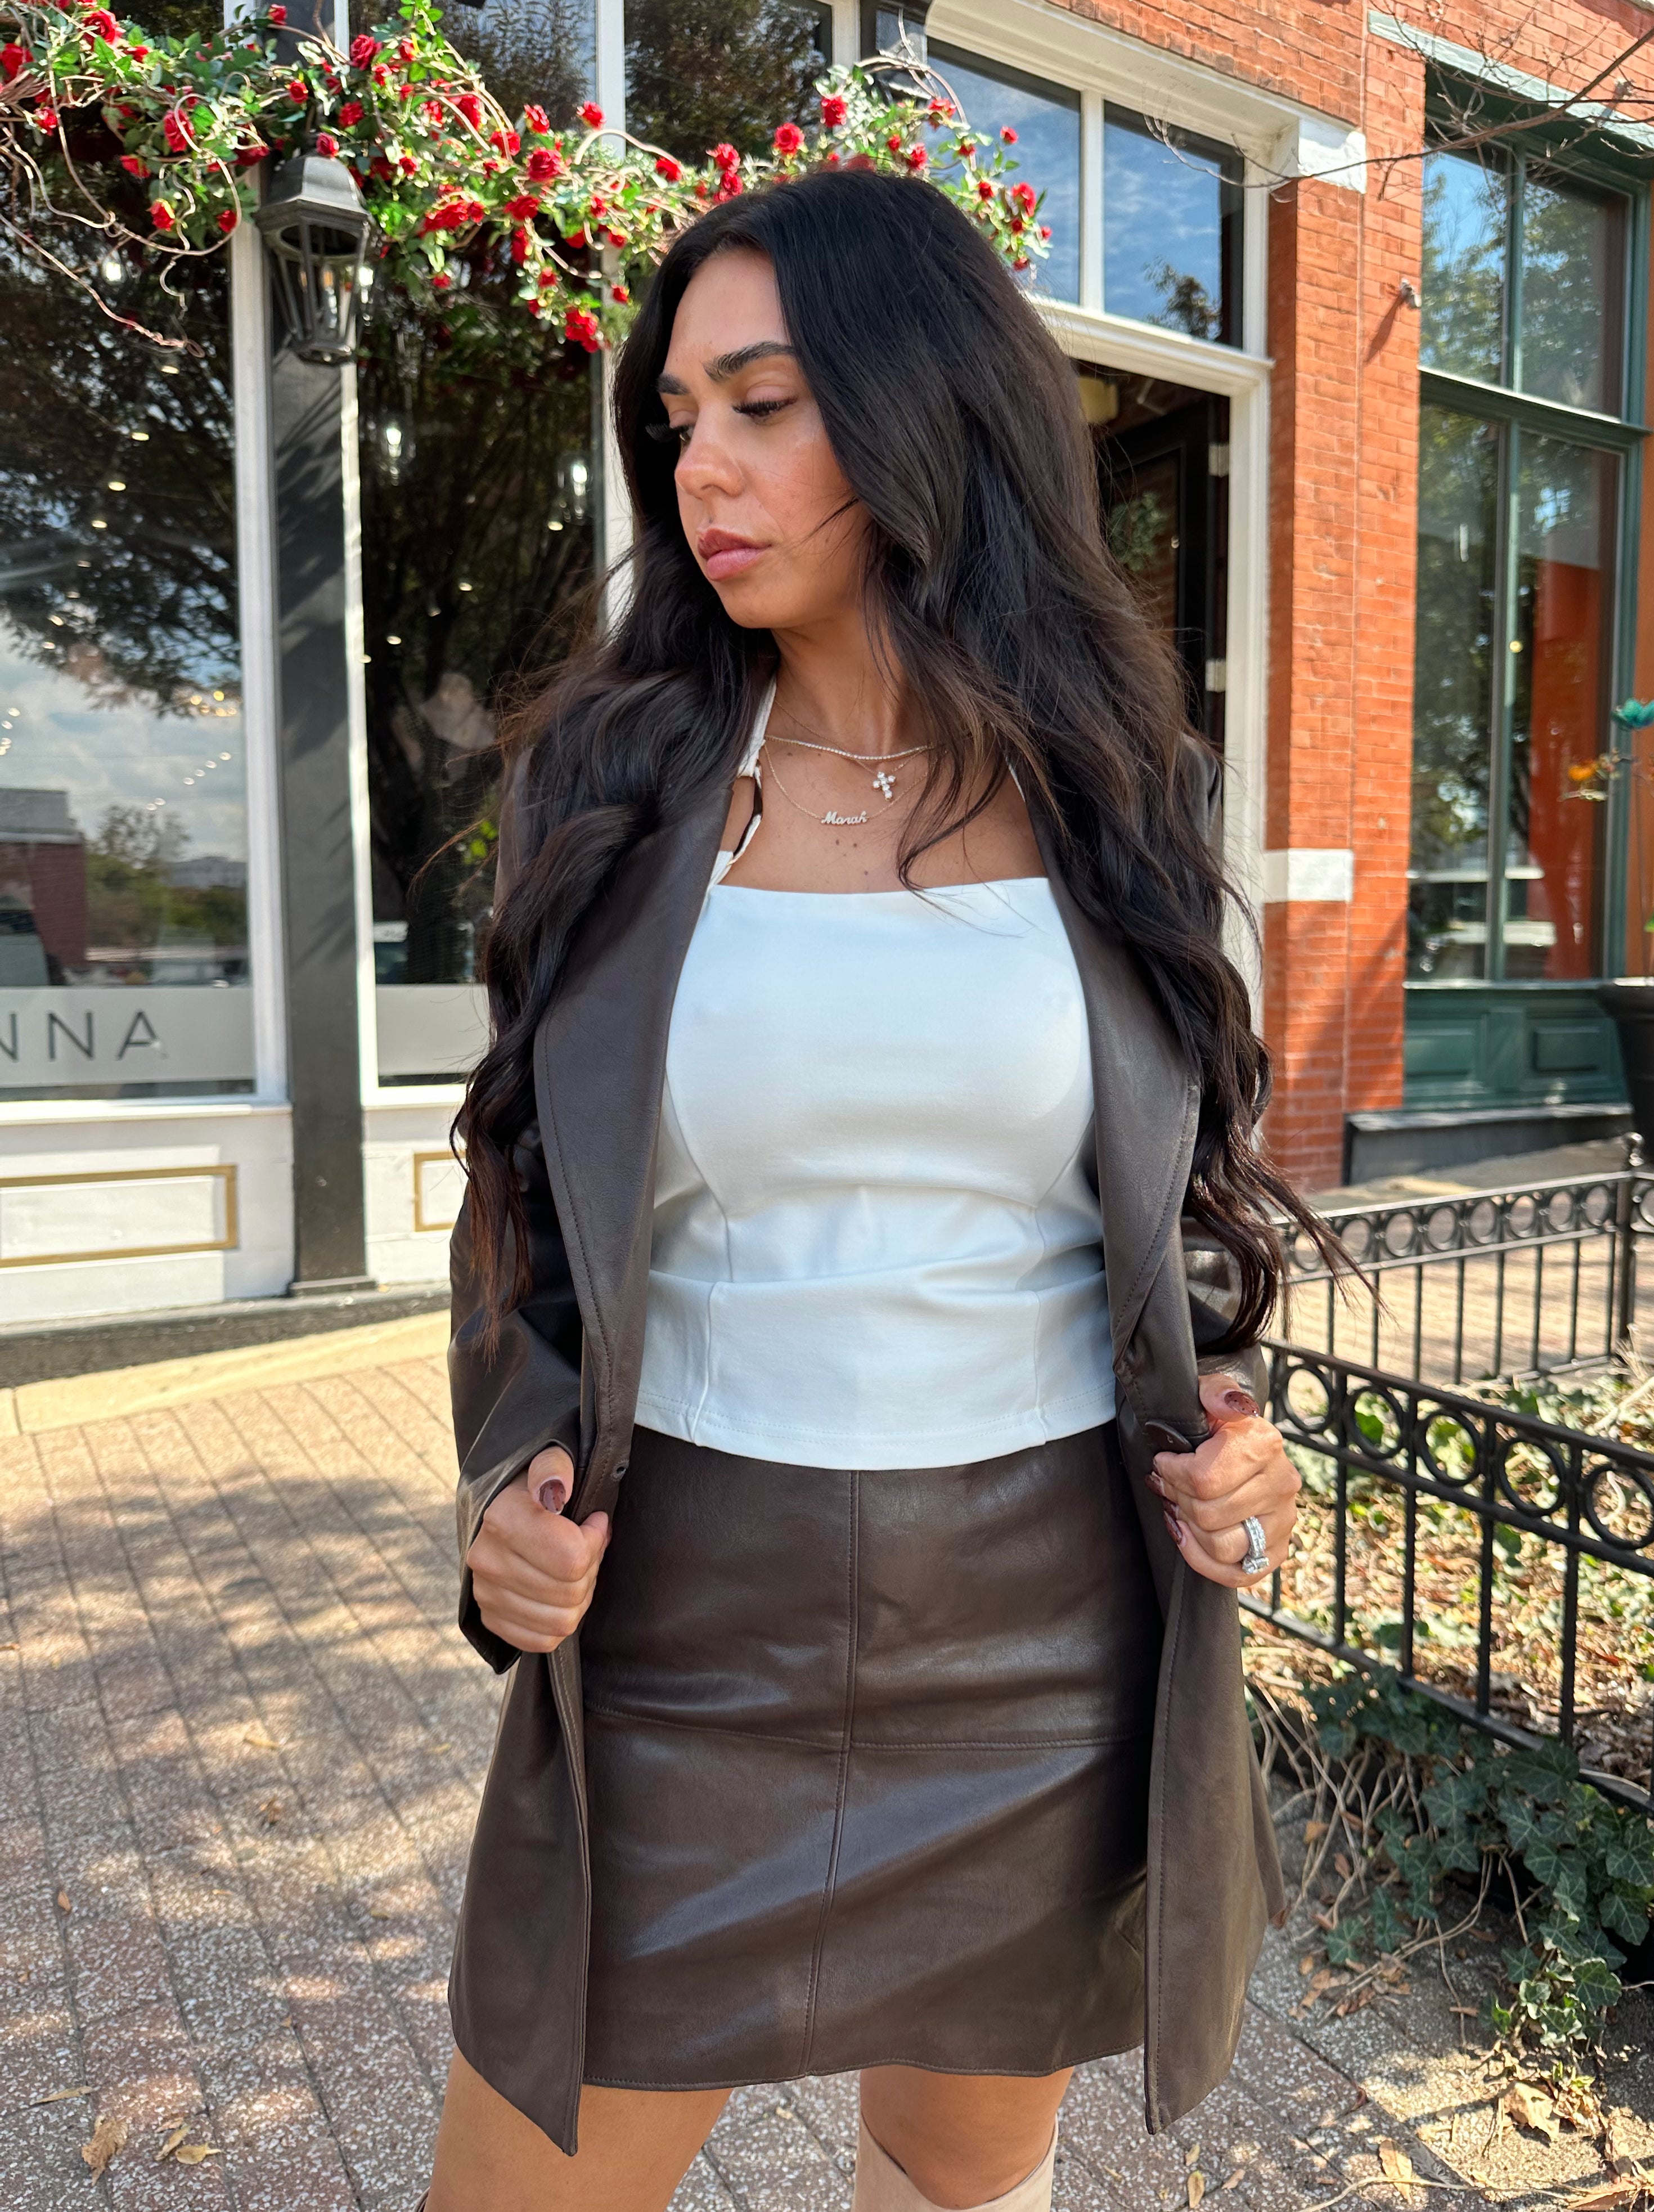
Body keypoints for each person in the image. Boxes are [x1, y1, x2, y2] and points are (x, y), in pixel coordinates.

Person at [424, 165, 1341, 2212]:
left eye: (766, 404)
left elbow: (1168, 1196)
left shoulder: (1113, 779)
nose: (702, 469)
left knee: (952, 2185)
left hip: (1039, 1627)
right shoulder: (618, 782)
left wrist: (1234, 1433)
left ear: (926, 411)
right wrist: (502, 1484)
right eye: (678, 419)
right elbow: (523, 1201)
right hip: (683, 1617)